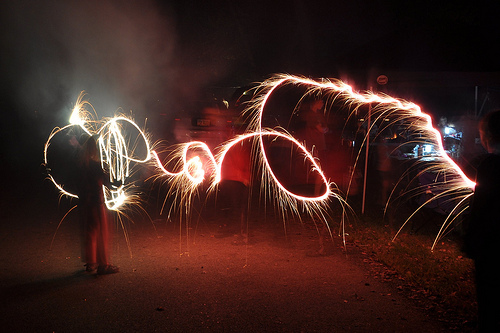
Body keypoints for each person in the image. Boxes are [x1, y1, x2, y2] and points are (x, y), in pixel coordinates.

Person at [462, 109, 500, 331]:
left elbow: (481, 207)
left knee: (489, 298)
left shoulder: (489, 166)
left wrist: (471, 240)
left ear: (488, 136)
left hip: (492, 246)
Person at [75, 135, 119, 275]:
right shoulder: (95, 165)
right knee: (101, 232)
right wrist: (117, 184)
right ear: (93, 147)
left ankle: (91, 263)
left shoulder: (80, 164)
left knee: (89, 231)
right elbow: (108, 183)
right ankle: (103, 264)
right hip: (96, 202)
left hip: (84, 202)